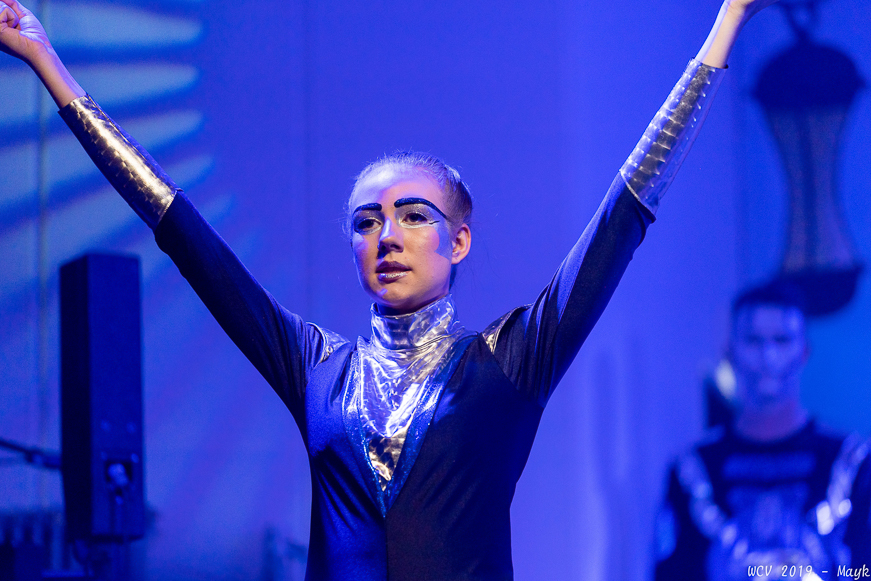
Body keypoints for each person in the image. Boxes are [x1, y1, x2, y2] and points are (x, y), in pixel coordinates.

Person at [2, 1, 778, 579]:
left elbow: (623, 214)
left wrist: (725, 24)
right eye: (366, 221)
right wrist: (48, 65)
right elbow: (180, 227)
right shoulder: (315, 366)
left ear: (458, 240)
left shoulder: (506, 362)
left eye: (413, 215)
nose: (388, 236)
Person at [654, 283, 871, 581]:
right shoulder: (692, 470)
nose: (769, 357)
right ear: (730, 352)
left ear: (804, 351)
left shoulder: (851, 463)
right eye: (753, 341)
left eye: (782, 340)